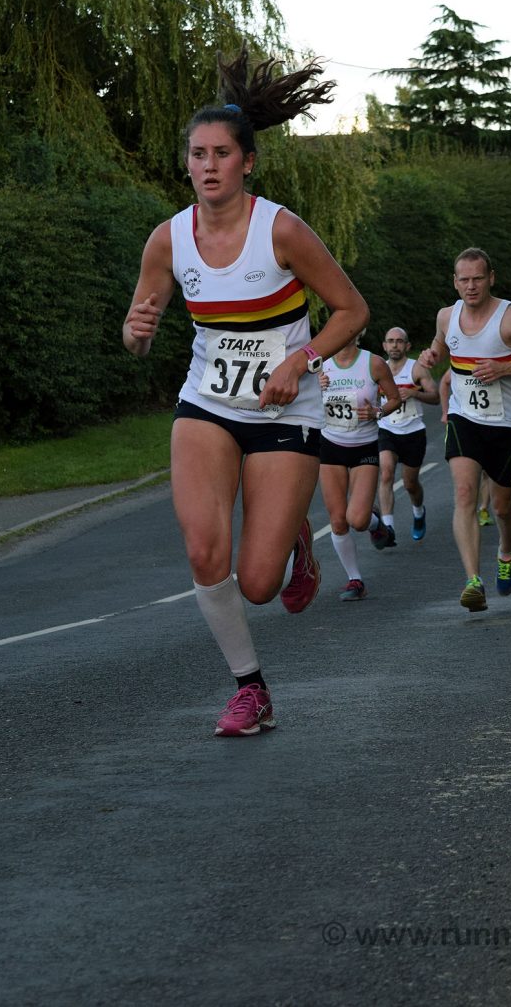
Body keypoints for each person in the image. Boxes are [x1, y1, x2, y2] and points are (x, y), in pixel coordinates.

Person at [123, 46, 368, 737]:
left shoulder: (281, 229)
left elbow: (353, 310)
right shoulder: (168, 240)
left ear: (247, 162)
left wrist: (303, 359)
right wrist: (135, 332)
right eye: (197, 153)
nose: (207, 165)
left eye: (221, 153)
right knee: (206, 551)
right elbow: (138, 333)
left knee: (260, 584)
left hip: (286, 408)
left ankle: (295, 534)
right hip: (207, 404)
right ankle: (250, 687)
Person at [420, 248, 511, 613]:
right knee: (464, 494)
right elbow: (438, 344)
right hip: (465, 420)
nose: (471, 286)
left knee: (501, 506)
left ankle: (507, 550)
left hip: (507, 425)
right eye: (463, 280)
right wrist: (430, 355)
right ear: (455, 281)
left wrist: (504, 369)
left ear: (491, 277)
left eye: (477, 278)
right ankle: (472, 581)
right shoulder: (447, 316)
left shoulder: (510, 318)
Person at [318, 332, 401, 601]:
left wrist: (378, 412)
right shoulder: (319, 364)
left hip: (364, 446)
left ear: (359, 333)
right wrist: (313, 386)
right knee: (339, 521)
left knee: (358, 519)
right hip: (330, 445)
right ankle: (355, 580)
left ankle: (375, 523)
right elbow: (299, 399)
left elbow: (395, 399)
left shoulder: (374, 363)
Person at [376, 327, 439, 546]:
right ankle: (388, 526)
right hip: (387, 429)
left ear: (407, 346)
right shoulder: (377, 369)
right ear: (384, 345)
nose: (394, 345)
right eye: (390, 341)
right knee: (385, 473)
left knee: (411, 484)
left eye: (399, 341)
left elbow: (436, 397)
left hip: (413, 432)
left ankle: (418, 511)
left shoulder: (417, 369)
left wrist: (414, 393)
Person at [440, 369, 492, 526]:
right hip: (465, 423)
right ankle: (472, 508)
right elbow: (444, 382)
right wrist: (445, 411)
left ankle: (483, 507)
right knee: (468, 478)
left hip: (492, 421)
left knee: (486, 472)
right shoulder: (462, 359)